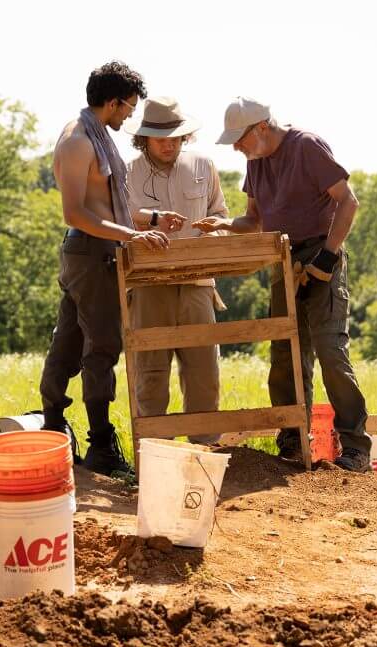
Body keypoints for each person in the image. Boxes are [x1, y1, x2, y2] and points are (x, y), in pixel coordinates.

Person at [195, 97, 371, 472]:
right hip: (283, 258)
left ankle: (355, 446)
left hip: (323, 250)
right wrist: (223, 225)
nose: (237, 148)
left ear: (261, 128)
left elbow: (348, 202)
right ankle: (292, 439)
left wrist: (326, 257)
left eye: (239, 139)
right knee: (285, 354)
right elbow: (253, 221)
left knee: (330, 351)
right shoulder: (254, 163)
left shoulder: (306, 146)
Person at [38, 61, 185, 476]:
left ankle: (53, 429)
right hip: (89, 253)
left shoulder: (97, 136)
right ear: (113, 101)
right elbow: (75, 213)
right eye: (129, 107)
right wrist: (130, 236)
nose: (130, 115)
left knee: (68, 340)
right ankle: (100, 445)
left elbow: (108, 205)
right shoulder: (77, 142)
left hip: (95, 250)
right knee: (101, 347)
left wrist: (151, 219)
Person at [123, 96, 228, 444]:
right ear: (144, 138)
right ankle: (154, 456)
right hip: (149, 286)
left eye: (175, 137)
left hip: (199, 284)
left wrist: (219, 228)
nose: (168, 144)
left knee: (204, 373)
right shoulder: (128, 172)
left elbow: (223, 217)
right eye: (159, 137)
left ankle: (205, 455)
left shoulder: (204, 166)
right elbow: (118, 223)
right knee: (150, 374)